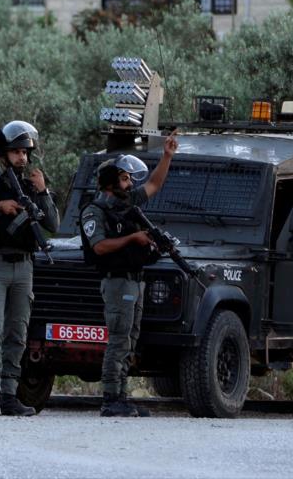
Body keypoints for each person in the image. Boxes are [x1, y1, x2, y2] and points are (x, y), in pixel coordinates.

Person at [0, 121, 60, 416]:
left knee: (17, 332)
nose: (22, 158)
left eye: (25, 152)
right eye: (16, 152)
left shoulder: (32, 185)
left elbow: (52, 224)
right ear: (3, 154)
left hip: (24, 267)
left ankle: (8, 394)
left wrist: (43, 192)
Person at [80, 132, 178, 417]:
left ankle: (122, 396)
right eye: (124, 179)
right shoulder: (95, 211)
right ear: (111, 183)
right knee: (119, 340)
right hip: (116, 281)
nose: (130, 183)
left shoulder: (126, 203)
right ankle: (111, 398)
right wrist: (132, 239)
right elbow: (99, 246)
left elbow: (153, 184)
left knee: (130, 339)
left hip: (135, 281)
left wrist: (167, 156)